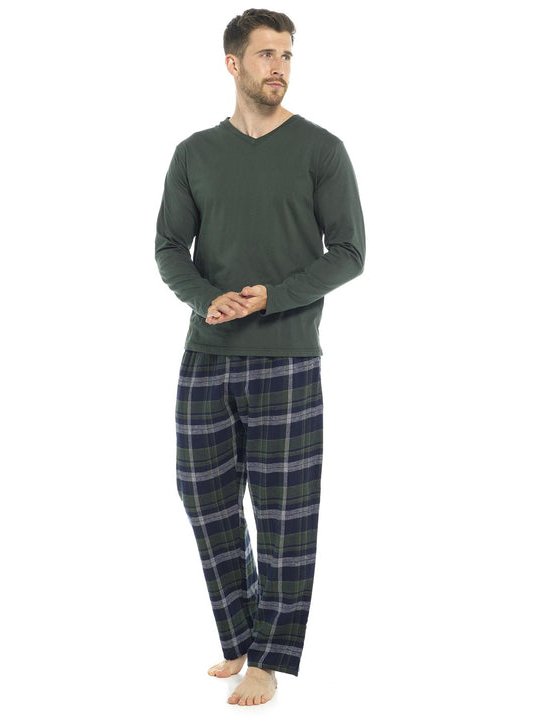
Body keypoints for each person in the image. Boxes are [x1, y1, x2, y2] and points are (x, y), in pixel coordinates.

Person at [154, 8, 365, 707]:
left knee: (285, 516)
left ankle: (269, 659)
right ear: (233, 63)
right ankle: (240, 633)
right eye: (266, 54)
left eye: (287, 55)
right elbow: (168, 247)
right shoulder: (194, 153)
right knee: (203, 497)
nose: (279, 66)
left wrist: (272, 297)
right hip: (206, 354)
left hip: (287, 357)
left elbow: (350, 252)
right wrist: (205, 299)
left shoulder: (321, 150)